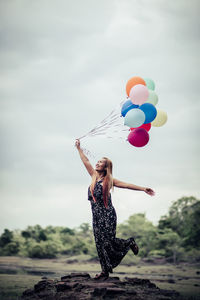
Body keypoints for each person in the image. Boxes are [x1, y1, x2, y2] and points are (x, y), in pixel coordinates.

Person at [75, 139, 155, 279]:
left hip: (108, 215)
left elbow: (126, 185)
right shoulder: (94, 176)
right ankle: (104, 271)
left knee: (108, 241)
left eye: (101, 162)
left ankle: (129, 242)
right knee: (99, 243)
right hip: (96, 216)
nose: (97, 163)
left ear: (106, 167)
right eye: (98, 161)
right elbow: (86, 161)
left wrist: (143, 189)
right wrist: (79, 149)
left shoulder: (109, 180)